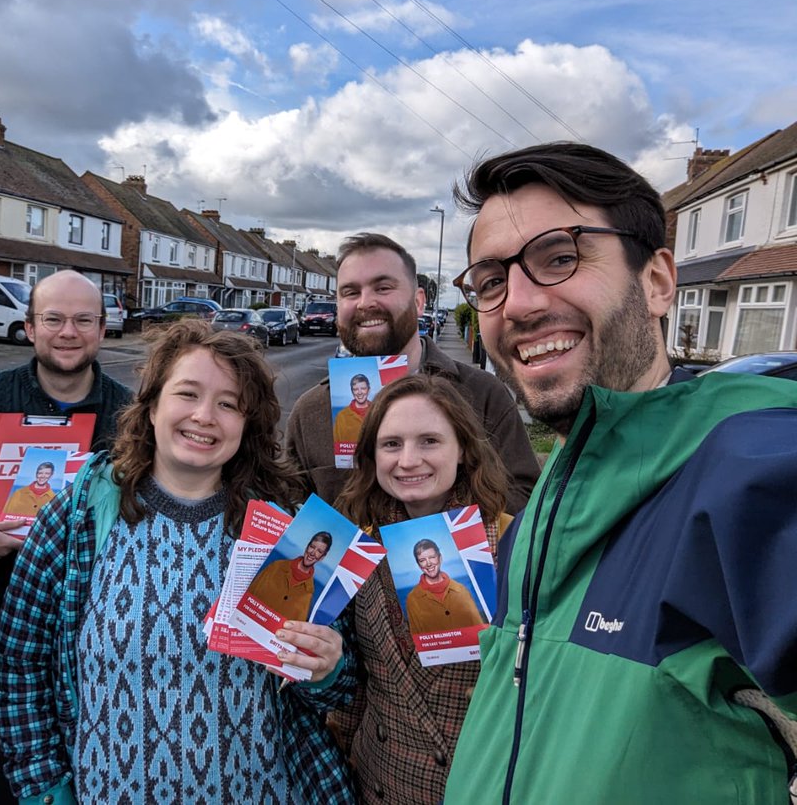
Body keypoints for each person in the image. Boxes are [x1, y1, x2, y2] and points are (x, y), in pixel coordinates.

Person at [442, 142, 797, 804]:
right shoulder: (542, 510)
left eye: (559, 256)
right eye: (491, 281)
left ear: (658, 282)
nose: (516, 303)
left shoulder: (744, 476)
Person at [0, 320, 355, 804]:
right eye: (187, 394)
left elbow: (338, 691)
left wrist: (327, 668)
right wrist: (44, 788)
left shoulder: (286, 533)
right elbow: (19, 666)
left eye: (228, 403)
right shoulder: (76, 515)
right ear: (152, 403)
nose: (205, 415)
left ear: (248, 423)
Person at [0, 269, 133, 804]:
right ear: (30, 327)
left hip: (97, 636)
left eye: (83, 319)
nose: (68, 331)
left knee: (91, 773)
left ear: (103, 329)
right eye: (54, 319)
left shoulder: (132, 415)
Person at [332, 372, 511, 805]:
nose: (408, 460)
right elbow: (357, 683)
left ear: (464, 449)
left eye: (429, 441)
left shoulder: (510, 545)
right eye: (391, 444)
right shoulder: (358, 551)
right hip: (379, 781)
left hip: (476, 785)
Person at [285, 232, 540, 511]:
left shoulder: (483, 394)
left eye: (383, 288)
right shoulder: (309, 411)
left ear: (419, 302)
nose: (364, 302)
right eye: (350, 292)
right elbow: (289, 507)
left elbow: (526, 501)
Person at [243, 531, 333, 622]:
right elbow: (249, 594)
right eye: (312, 547)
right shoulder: (276, 566)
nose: (313, 553)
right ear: (307, 546)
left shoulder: (309, 594)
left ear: (322, 557)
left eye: (319, 551)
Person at [403, 540, 484, 635]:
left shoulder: (462, 591)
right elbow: (417, 638)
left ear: (440, 558)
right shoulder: (412, 599)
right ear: (419, 565)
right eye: (422, 560)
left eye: (432, 557)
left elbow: (480, 628)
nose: (428, 563)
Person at [331, 373, 372, 445]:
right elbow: (337, 446)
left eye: (363, 388)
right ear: (352, 392)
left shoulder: (379, 411)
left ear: (369, 390)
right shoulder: (341, 416)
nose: (359, 392)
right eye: (355, 389)